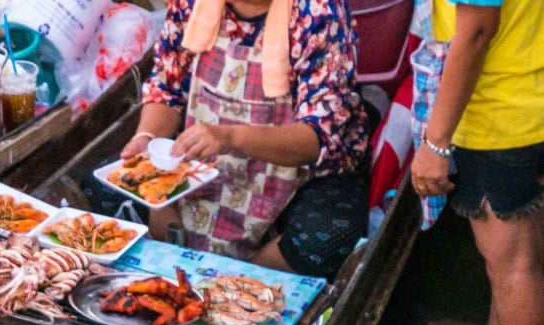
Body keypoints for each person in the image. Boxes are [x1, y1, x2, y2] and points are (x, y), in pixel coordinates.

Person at [121, 0, 370, 277]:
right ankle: (196, 270)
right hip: (201, 161)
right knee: (103, 190)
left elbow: (316, 138)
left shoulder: (319, 11)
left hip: (302, 173)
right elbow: (168, 88)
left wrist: (230, 137)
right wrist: (147, 140)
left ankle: (239, 279)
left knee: (326, 237)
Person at [412, 0, 544, 325]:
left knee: (513, 265)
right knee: (521, 256)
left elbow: (475, 32)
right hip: (530, 94)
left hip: (501, 117)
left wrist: (436, 143)